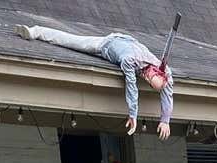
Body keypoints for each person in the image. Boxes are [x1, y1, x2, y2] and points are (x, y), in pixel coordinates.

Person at [15, 25, 173, 138]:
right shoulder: (129, 60)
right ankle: (34, 31)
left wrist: (165, 120)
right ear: (151, 71)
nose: (145, 79)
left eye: (150, 83)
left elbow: (167, 93)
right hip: (107, 44)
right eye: (148, 78)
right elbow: (132, 88)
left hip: (129, 41)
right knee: (70, 41)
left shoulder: (165, 71)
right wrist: (133, 114)